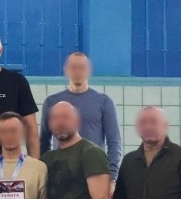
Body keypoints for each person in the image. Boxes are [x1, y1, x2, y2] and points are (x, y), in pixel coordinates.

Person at [39, 52, 122, 180]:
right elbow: (43, 142)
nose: (77, 71)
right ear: (66, 70)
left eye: (82, 67)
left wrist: (112, 176)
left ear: (89, 70)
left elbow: (114, 142)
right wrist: (44, 173)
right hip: (62, 172)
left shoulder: (104, 101)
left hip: (95, 169)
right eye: (73, 67)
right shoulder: (51, 102)